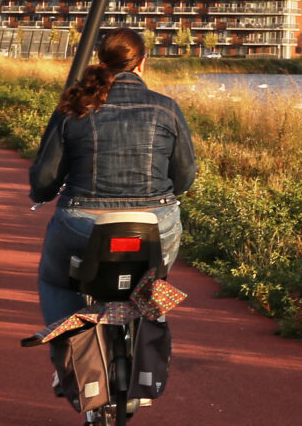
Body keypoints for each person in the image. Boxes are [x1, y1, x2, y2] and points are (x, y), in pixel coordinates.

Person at [30, 29, 195, 350]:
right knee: (153, 278)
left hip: (82, 222)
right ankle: (150, 326)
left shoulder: (75, 106)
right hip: (155, 223)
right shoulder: (167, 108)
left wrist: (43, 194)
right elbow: (185, 176)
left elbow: (45, 178)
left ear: (101, 61)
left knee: (56, 279)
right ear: (142, 63)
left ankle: (67, 354)